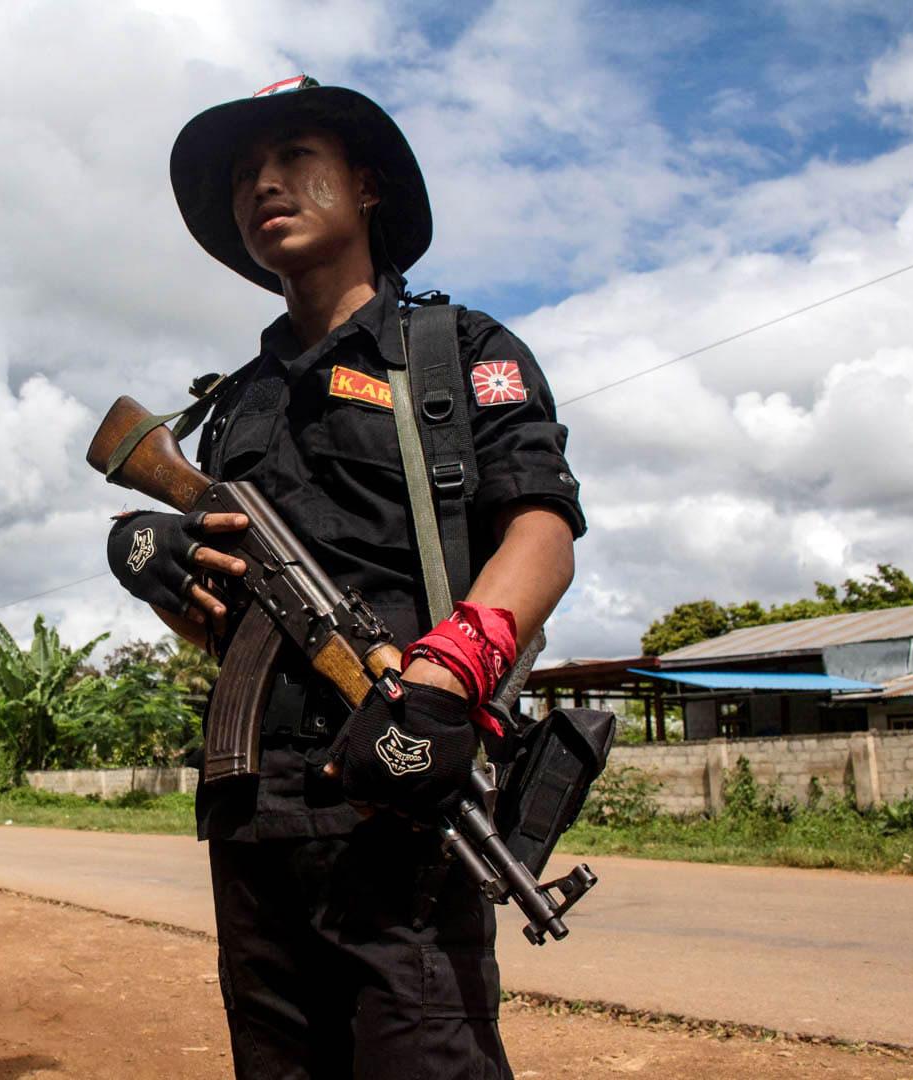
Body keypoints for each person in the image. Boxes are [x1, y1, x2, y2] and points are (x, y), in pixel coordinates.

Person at [104, 77, 585, 1077]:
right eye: (244, 175)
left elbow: (541, 531)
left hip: (399, 788)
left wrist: (447, 679)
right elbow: (228, 610)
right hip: (252, 804)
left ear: (365, 185)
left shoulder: (459, 355)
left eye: (292, 159)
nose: (262, 186)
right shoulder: (232, 404)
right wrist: (155, 555)